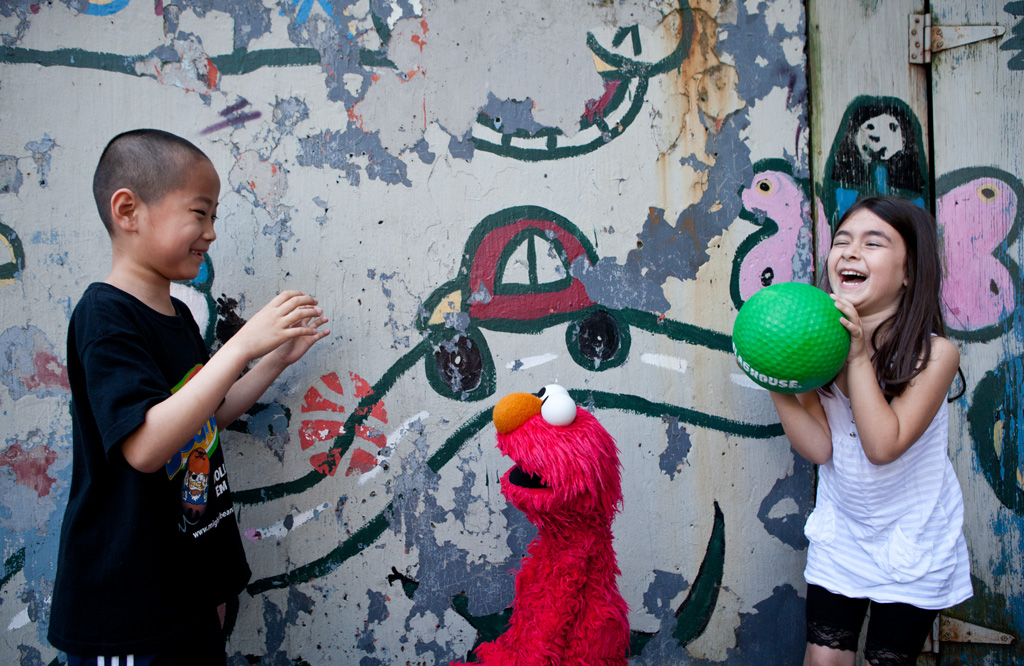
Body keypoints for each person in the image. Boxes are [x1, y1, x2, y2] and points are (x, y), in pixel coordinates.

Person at [47, 129, 330, 665]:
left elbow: (206, 416)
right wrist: (243, 343)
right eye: (200, 214)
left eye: (214, 217)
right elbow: (147, 447)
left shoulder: (177, 317)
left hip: (185, 589)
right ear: (128, 211)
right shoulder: (103, 316)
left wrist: (272, 362)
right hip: (129, 607)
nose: (211, 233)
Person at [767, 195, 972, 666]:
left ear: (909, 273)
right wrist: (775, 379)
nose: (851, 251)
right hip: (845, 532)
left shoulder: (935, 354)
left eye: (873, 243)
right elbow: (820, 447)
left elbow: (883, 446)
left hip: (913, 537)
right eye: (842, 240)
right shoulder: (815, 342)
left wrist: (858, 356)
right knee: (823, 660)